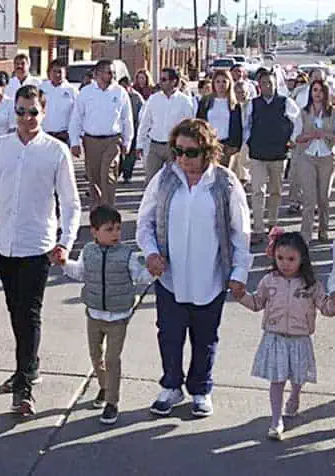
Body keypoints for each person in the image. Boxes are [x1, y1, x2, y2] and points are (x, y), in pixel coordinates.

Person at [0, 84, 80, 415]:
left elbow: (71, 203)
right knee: (16, 311)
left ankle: (24, 387)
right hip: (5, 244)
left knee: (29, 313)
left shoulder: (55, 151)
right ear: (13, 112)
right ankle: (27, 366)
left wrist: (65, 242)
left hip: (38, 246)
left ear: (43, 113)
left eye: (33, 112)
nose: (27, 118)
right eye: (21, 111)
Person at [137, 118, 252, 418]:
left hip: (210, 278)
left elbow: (241, 234)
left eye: (190, 152)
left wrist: (238, 274)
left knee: (206, 338)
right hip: (171, 279)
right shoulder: (164, 179)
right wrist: (150, 254)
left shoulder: (225, 183)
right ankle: (171, 386)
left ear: (207, 151)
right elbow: (144, 223)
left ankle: (200, 389)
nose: (183, 158)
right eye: (178, 151)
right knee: (169, 335)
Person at [238, 230, 335, 440]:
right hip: (275, 338)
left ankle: (295, 395)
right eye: (280, 258)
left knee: (298, 377)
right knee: (277, 379)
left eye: (291, 259)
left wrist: (333, 301)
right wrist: (240, 295)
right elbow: (256, 303)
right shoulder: (269, 280)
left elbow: (326, 308)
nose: (285, 263)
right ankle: (276, 420)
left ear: (302, 259)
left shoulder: (311, 285)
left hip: (300, 339)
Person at [61, 205, 153, 425]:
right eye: (109, 229)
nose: (115, 234)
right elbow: (80, 273)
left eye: (118, 229)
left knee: (112, 359)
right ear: (94, 231)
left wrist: (153, 272)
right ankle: (104, 387)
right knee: (96, 356)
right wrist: (64, 263)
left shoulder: (126, 255)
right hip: (94, 314)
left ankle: (112, 402)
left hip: (117, 317)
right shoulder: (88, 252)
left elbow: (140, 276)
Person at [245, 69, 303, 245]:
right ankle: (258, 229)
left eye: (270, 83)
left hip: (278, 154)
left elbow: (298, 121)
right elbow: (246, 125)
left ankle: (272, 224)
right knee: (257, 191)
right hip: (258, 153)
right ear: (259, 86)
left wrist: (292, 140)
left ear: (275, 84)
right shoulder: (252, 104)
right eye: (263, 83)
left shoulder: (285, 102)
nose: (267, 86)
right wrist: (248, 142)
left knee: (276, 191)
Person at [69, 59, 134, 207]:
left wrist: (127, 141)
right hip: (91, 141)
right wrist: (74, 142)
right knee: (94, 178)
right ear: (97, 74)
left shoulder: (120, 92)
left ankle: (109, 210)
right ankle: (97, 211)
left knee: (108, 175)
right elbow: (76, 118)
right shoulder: (86, 93)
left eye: (113, 73)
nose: (112, 76)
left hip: (112, 140)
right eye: (108, 72)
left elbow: (127, 119)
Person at [137, 67, 196, 185]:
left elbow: (189, 126)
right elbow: (145, 123)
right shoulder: (154, 99)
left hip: (174, 147)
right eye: (160, 79)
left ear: (174, 81)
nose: (160, 82)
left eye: (164, 79)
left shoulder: (184, 101)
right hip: (155, 145)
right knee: (151, 181)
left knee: (175, 180)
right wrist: (139, 144)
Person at [293, 80, 335, 242]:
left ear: (326, 93)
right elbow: (296, 137)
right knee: (309, 199)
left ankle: (323, 230)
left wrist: (324, 134)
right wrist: (310, 135)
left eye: (320, 91)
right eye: (314, 90)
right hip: (307, 157)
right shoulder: (303, 112)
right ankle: (306, 235)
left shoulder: (332, 113)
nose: (317, 94)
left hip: (326, 158)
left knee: (323, 198)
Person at [196, 70, 243, 170]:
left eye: (224, 82)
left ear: (229, 83)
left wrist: (235, 145)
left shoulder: (234, 104)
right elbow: (199, 122)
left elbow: (238, 126)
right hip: (208, 144)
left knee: (223, 176)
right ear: (213, 83)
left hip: (226, 145)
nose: (221, 85)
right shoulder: (206, 101)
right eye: (218, 82)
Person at [39, 57, 79, 145]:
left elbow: (77, 114)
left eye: (60, 72)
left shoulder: (72, 91)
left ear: (65, 73)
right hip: (44, 135)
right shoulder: (41, 88)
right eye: (54, 71)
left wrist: (73, 137)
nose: (57, 74)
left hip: (63, 136)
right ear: (49, 72)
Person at [118, 76, 144, 183]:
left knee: (130, 153)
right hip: (119, 128)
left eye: (125, 86)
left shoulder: (136, 97)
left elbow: (143, 112)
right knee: (118, 152)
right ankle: (117, 171)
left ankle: (127, 175)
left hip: (134, 126)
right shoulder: (118, 95)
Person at [233, 80, 253, 183]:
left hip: (248, 138)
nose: (242, 95)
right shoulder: (232, 106)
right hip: (235, 139)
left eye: (244, 92)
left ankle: (243, 181)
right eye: (239, 92)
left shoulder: (252, 105)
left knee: (244, 163)